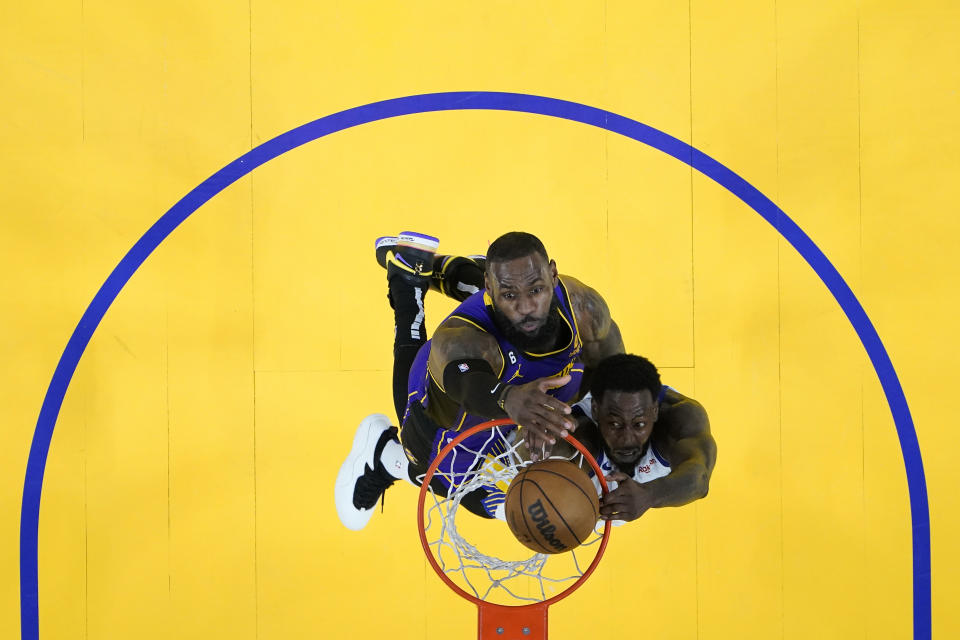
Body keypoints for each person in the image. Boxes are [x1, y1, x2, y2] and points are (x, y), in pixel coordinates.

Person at [565, 353, 716, 523]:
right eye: (616, 424)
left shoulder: (679, 416)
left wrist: (649, 495)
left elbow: (699, 479)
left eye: (639, 425)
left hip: (645, 489)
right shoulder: (580, 428)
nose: (627, 439)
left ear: (654, 412)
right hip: (584, 448)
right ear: (596, 410)